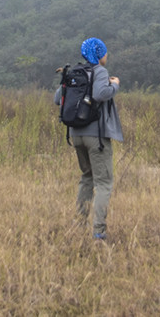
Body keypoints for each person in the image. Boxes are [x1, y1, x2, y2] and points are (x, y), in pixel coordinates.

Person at [55, 37, 123, 240]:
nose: (106, 56)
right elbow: (101, 93)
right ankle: (99, 231)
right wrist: (115, 86)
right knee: (104, 182)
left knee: (87, 177)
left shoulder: (75, 72)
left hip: (76, 134)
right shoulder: (99, 71)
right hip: (97, 136)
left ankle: (79, 224)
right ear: (99, 53)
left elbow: (57, 99)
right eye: (104, 52)